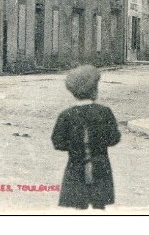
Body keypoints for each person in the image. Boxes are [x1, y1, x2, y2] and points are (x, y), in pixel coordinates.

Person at [52, 65, 121, 210]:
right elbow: (114, 138)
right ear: (95, 90)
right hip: (101, 166)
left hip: (75, 166)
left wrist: (74, 146)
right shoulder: (105, 112)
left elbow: (58, 143)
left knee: (78, 207)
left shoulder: (66, 115)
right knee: (99, 207)